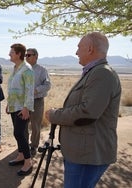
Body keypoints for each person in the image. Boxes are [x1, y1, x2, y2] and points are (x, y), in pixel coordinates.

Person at [45, 32, 121, 188]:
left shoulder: (102, 73)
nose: (76, 52)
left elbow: (87, 112)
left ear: (90, 49)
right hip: (83, 152)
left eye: (79, 47)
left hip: (87, 155)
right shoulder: (95, 71)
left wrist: (55, 115)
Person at [6, 43, 34, 176]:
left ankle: (28, 162)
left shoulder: (27, 69)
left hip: (22, 108)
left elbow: (29, 91)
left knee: (19, 133)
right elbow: (12, 88)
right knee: (17, 133)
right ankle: (21, 156)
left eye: (11, 52)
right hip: (14, 106)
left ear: (18, 54)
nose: (9, 54)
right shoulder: (15, 68)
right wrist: (8, 103)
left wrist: (26, 108)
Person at [25, 48, 51, 156]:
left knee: (35, 125)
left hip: (37, 101)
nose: (26, 57)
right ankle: (24, 145)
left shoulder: (42, 70)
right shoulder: (23, 69)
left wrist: (36, 90)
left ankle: (33, 146)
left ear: (36, 56)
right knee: (23, 124)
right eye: (26, 55)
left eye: (29, 55)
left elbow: (48, 85)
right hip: (24, 101)